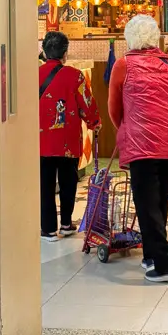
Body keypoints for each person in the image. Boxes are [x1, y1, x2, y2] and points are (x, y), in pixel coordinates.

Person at [108, 14, 168, 283]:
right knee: (158, 202)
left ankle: (165, 265)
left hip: (143, 144)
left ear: (129, 38)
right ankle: (151, 256)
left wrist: (127, 129)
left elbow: (114, 109)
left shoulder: (123, 64)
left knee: (147, 204)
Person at [39, 31, 100, 241]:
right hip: (68, 140)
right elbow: (87, 104)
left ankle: (48, 229)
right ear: (65, 53)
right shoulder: (75, 76)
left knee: (45, 185)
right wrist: (94, 123)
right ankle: (66, 223)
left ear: (44, 52)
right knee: (68, 182)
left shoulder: (32, 75)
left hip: (41, 141)